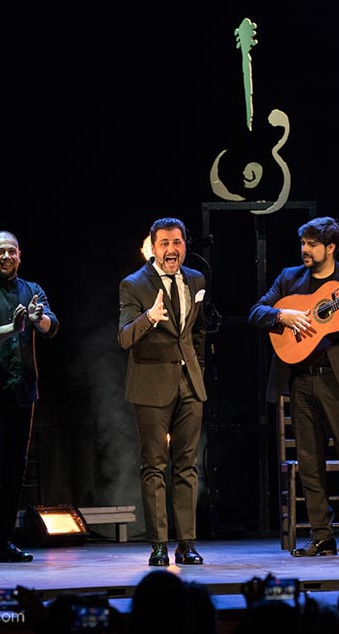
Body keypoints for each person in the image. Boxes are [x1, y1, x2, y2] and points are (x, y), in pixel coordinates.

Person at [248, 216, 339, 557]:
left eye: (312, 245)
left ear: (330, 247)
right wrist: (281, 316)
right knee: (309, 462)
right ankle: (322, 536)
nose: (305, 250)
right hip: (302, 380)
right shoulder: (289, 278)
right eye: (303, 243)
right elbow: (256, 312)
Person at [0, 230, 59, 562]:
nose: (6, 256)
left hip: (21, 390)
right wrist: (13, 328)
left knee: (16, 467)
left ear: (20, 255)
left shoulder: (32, 290)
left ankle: (4, 541)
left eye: (11, 251)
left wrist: (38, 319)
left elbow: (52, 326)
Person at [118, 217, 208, 567]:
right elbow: (125, 337)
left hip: (189, 385)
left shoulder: (196, 279)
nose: (172, 249)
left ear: (185, 245)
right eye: (165, 243)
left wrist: (196, 369)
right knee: (154, 466)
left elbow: (197, 332)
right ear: (153, 248)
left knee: (187, 465)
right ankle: (159, 544)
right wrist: (150, 318)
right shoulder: (133, 284)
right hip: (151, 385)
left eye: (177, 242)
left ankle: (187, 543)